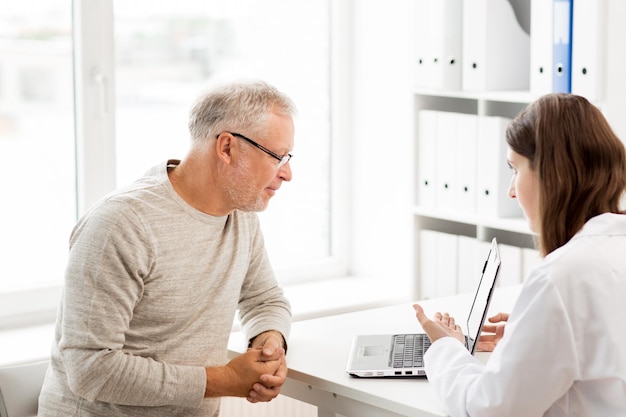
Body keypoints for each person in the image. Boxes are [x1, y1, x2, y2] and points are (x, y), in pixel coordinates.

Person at [38, 80, 296, 417]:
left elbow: (264, 299)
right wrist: (225, 380)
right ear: (228, 148)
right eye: (277, 156)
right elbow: (90, 369)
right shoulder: (122, 224)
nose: (287, 173)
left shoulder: (240, 214)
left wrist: (269, 340)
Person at [413, 93, 626, 416]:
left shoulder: (562, 277)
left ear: (552, 175)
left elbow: (488, 410)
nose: (511, 190)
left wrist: (447, 348)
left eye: (515, 169)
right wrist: (535, 333)